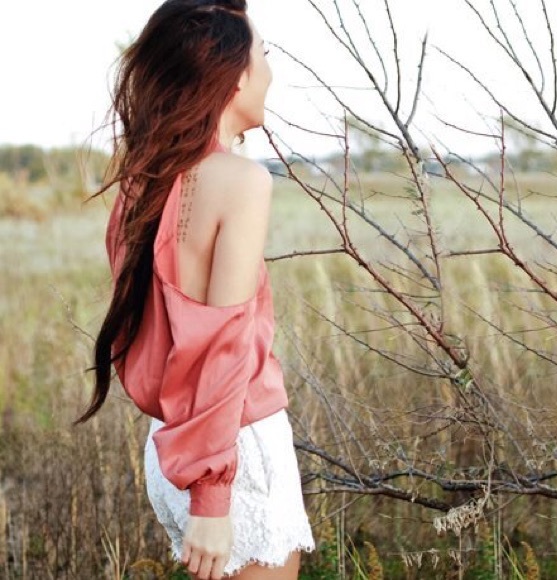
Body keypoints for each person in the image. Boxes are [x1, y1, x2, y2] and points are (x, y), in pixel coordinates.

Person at [73, 1, 315, 578]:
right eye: (264, 56)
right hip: (230, 451)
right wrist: (212, 495)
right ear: (234, 77)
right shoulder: (242, 181)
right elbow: (220, 345)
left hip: (173, 442)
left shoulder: (143, 181)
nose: (271, 72)